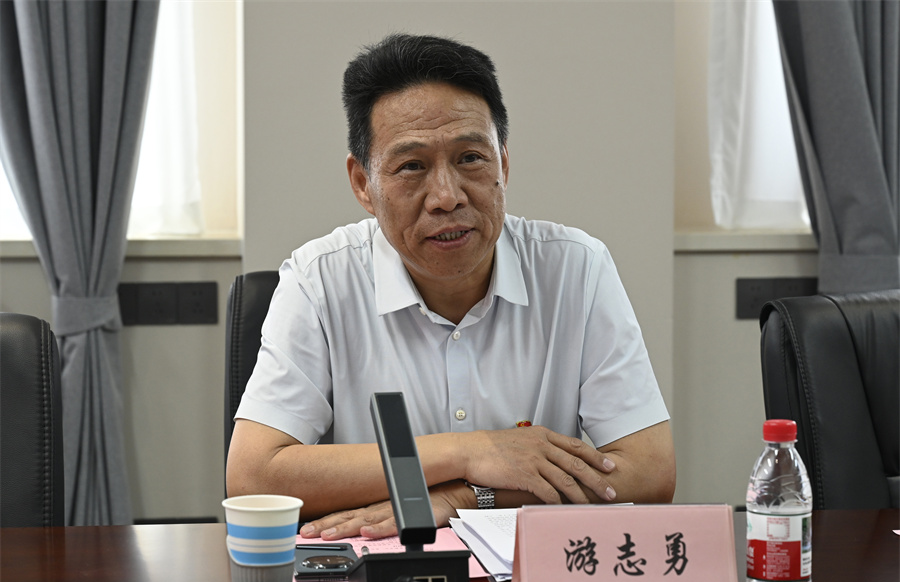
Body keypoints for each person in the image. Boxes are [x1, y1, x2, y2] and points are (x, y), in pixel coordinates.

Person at [226, 33, 675, 541]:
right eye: (412, 166)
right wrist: (469, 452)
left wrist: (463, 496)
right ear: (363, 184)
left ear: (503, 164)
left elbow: (649, 471)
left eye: (470, 158)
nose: (446, 196)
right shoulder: (320, 280)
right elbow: (253, 479)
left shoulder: (576, 268)